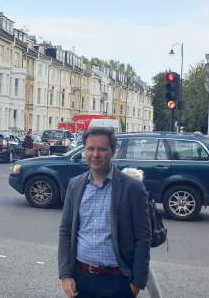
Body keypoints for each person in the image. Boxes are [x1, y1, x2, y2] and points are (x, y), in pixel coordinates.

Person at [58, 127, 151, 298]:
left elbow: (143, 238)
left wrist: (136, 284)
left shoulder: (133, 187)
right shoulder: (75, 185)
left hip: (117, 281)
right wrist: (66, 274)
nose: (95, 154)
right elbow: (66, 232)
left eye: (102, 149)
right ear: (84, 150)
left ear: (113, 151)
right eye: (90, 149)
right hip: (81, 279)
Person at [121, 168, 162, 298]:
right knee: (144, 267)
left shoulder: (135, 197)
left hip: (132, 242)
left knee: (143, 267)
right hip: (133, 242)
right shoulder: (139, 194)